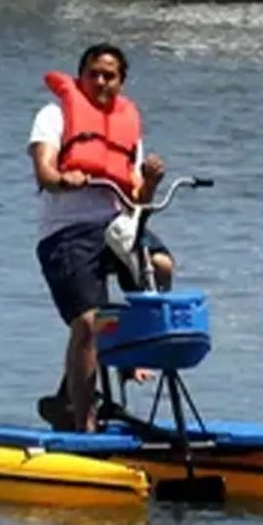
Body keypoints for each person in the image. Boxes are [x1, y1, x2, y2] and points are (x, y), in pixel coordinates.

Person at [28, 44, 173, 434]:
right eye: (93, 73)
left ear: (121, 82)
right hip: (67, 232)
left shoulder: (127, 123)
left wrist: (152, 179)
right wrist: (64, 179)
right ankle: (82, 422)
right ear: (81, 77)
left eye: (109, 75)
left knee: (161, 267)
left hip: (115, 226)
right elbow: (44, 171)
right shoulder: (54, 115)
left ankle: (126, 354)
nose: (100, 81)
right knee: (89, 323)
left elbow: (137, 197)